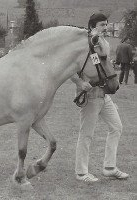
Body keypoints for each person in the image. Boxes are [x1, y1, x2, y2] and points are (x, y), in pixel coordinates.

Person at [70, 13, 129, 182]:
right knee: (87, 134)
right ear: (92, 26)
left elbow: (104, 64)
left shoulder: (101, 42)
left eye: (106, 24)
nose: (106, 27)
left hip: (103, 95)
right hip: (90, 95)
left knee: (116, 127)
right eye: (102, 25)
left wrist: (98, 39)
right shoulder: (84, 45)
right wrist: (80, 83)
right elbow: (71, 69)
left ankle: (109, 167)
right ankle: (81, 172)